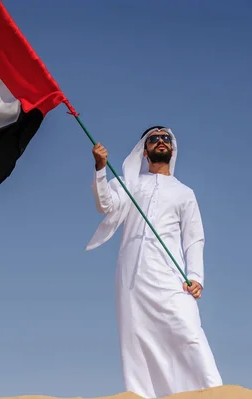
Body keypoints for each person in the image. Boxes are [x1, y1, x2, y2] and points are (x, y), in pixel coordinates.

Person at [86, 126, 223, 398]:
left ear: (172, 149)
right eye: (154, 139)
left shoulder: (185, 193)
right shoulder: (129, 183)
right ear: (144, 151)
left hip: (171, 276)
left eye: (165, 139)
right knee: (136, 342)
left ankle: (214, 392)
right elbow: (106, 205)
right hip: (133, 278)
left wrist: (195, 277)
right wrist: (100, 168)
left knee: (189, 333)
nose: (160, 141)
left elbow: (194, 238)